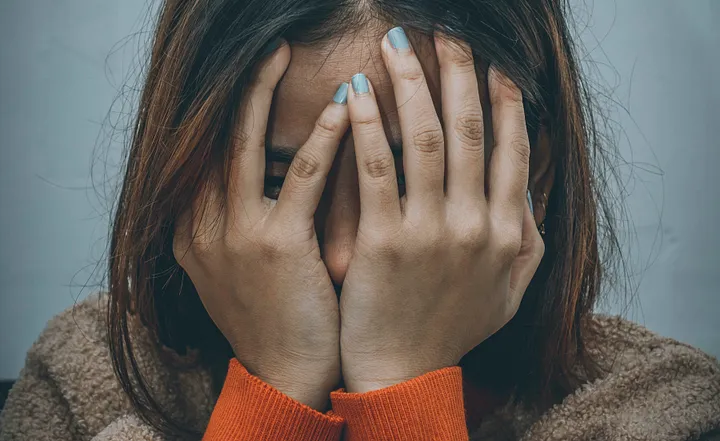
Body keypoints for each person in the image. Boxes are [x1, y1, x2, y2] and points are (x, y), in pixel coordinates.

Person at [1, 1, 719, 440]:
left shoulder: (659, 408)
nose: (343, 256)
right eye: (280, 185)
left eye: (411, 186)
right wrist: (276, 394)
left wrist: (401, 392)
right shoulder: (84, 384)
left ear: (530, 170)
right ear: (187, 174)